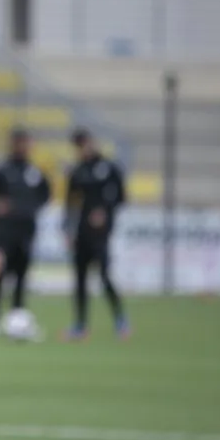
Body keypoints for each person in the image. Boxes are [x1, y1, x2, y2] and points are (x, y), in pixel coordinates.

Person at [63, 127, 130, 340]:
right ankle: (80, 325)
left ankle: (120, 320)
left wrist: (105, 213)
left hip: (100, 235)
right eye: (78, 146)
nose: (82, 149)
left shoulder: (109, 168)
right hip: (82, 233)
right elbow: (70, 203)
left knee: (104, 275)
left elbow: (121, 198)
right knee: (80, 279)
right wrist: (68, 230)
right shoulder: (78, 171)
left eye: (84, 143)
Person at [0, 127, 52, 337]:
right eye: (22, 142)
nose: (26, 147)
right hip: (6, 234)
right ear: (14, 144)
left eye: (28, 142)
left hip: (26, 233)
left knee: (22, 277)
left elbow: (45, 194)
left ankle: (18, 318)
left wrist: (28, 208)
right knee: (0, 276)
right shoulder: (1, 170)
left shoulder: (34, 172)